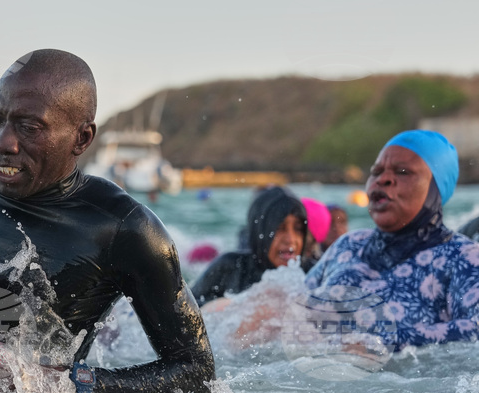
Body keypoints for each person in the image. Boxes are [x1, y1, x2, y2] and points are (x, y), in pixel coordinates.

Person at [0, 49, 214, 393]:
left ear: (82, 138)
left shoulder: (124, 228)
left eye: (29, 127)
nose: (2, 142)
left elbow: (196, 370)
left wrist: (73, 384)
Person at [306, 129, 479, 349]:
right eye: (376, 171)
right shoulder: (348, 245)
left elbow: (474, 331)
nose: (383, 179)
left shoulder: (465, 259)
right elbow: (292, 309)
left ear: (435, 188)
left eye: (403, 172)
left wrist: (378, 344)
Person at [191, 186, 308, 306]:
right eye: (280, 228)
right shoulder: (231, 267)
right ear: (260, 231)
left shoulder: (310, 274)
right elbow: (185, 307)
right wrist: (229, 306)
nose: (290, 239)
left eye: (298, 229)